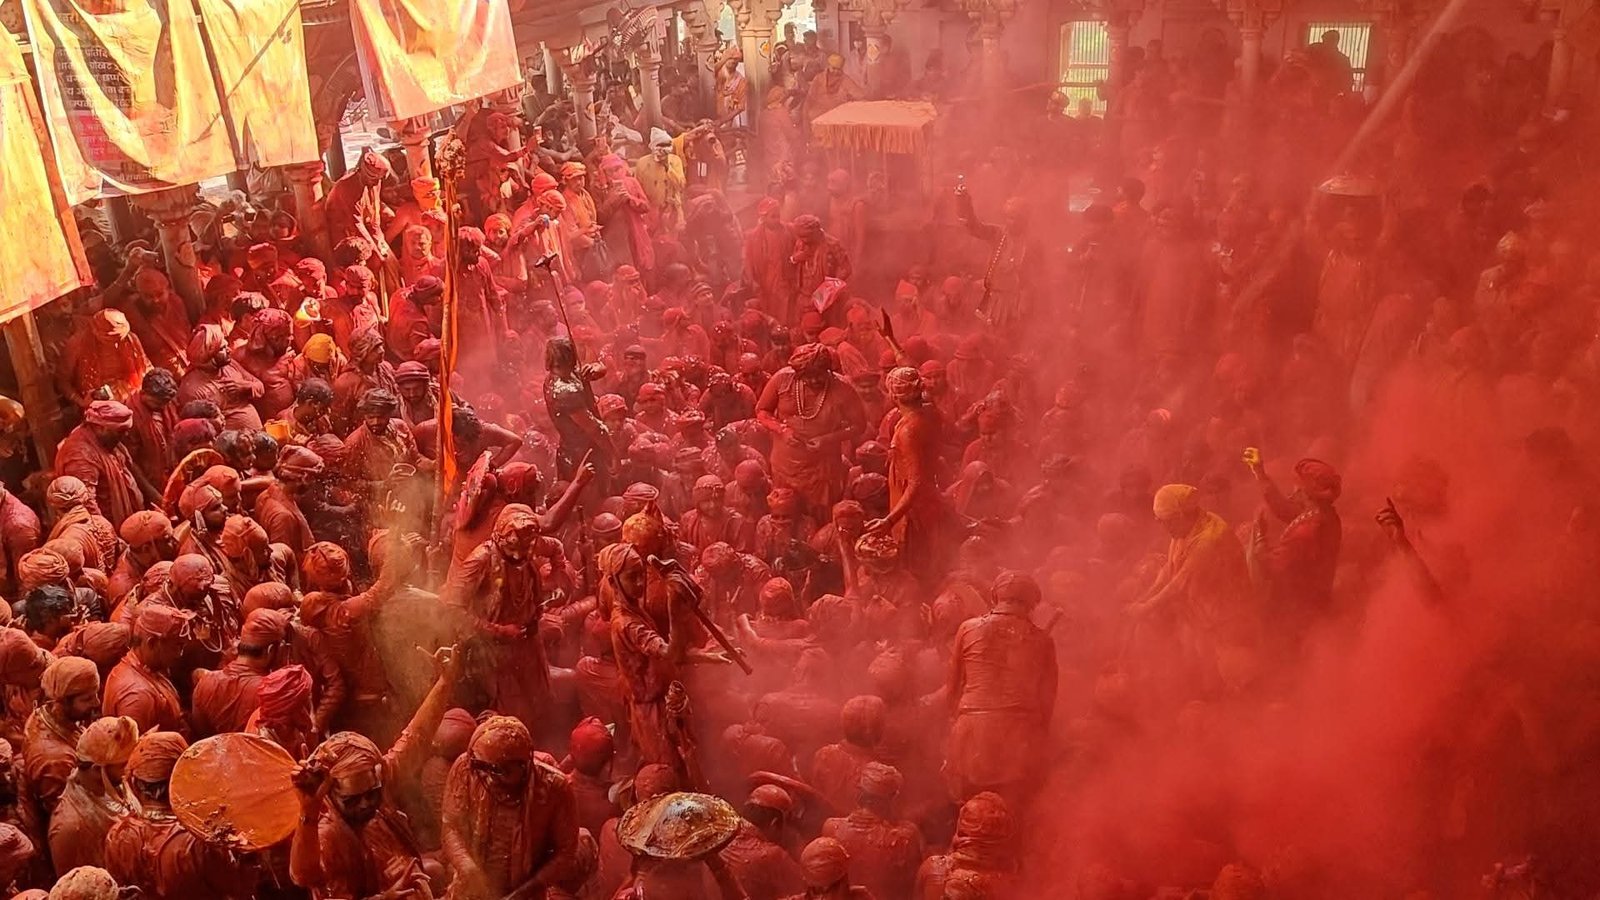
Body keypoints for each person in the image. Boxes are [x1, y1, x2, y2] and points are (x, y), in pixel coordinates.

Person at [289, 646, 461, 900]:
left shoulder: (377, 781)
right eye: (352, 800)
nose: (365, 805)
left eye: (371, 794)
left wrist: (445, 682)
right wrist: (308, 813)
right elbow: (302, 876)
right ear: (330, 792)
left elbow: (415, 738)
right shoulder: (326, 833)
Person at [944, 572, 1056, 806]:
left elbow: (952, 689)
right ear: (1032, 603)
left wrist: (953, 729)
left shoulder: (967, 629)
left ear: (995, 596)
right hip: (1019, 740)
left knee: (969, 812)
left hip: (971, 735)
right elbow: (1047, 703)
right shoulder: (1043, 641)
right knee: (1013, 814)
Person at [439, 715, 581, 899]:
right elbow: (450, 825)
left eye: (501, 771)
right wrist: (467, 867)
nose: (490, 778)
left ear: (524, 765)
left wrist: (526, 891)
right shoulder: (465, 769)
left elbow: (566, 851)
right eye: (484, 769)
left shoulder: (554, 788)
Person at [103, 730, 258, 897]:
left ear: (134, 782)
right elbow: (238, 889)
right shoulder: (201, 842)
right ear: (185, 778)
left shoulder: (117, 836)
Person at [864, 368, 956, 583]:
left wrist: (890, 519)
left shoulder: (909, 431)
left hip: (915, 506)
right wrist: (890, 339)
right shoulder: (930, 412)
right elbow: (909, 368)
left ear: (894, 396)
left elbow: (916, 482)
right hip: (923, 497)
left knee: (917, 566)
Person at [756, 345, 867, 518]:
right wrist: (781, 430)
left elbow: (859, 426)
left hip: (823, 466)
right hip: (786, 463)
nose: (814, 381)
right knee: (785, 512)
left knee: (820, 514)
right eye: (808, 377)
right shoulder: (781, 379)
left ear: (828, 370)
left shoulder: (843, 388)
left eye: (819, 375)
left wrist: (828, 439)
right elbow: (762, 411)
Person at [47, 716, 138, 874]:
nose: (131, 769)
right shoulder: (68, 829)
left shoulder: (116, 780)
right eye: (124, 765)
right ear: (97, 770)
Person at [21, 656, 100, 823]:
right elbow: (69, 815)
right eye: (87, 699)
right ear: (63, 701)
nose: (97, 703)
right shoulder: (57, 760)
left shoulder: (45, 712)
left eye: (95, 695)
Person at [53, 401, 148, 531]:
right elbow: (87, 504)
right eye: (121, 431)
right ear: (100, 427)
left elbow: (129, 466)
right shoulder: (80, 456)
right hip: (108, 527)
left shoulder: (107, 441)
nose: (125, 435)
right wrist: (109, 535)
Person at [102, 604, 192, 737]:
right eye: (178, 646)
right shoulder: (138, 696)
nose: (180, 653)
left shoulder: (149, 667)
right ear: (152, 643)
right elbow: (138, 754)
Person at [56, 310, 152, 409]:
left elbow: (146, 366)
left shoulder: (131, 339)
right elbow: (62, 382)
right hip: (98, 405)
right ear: (96, 333)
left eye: (120, 339)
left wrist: (152, 385)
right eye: (111, 340)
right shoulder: (76, 346)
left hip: (133, 397)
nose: (116, 344)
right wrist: (82, 402)